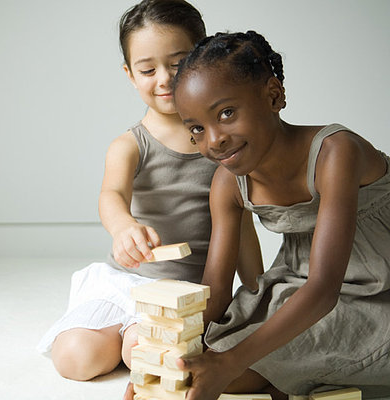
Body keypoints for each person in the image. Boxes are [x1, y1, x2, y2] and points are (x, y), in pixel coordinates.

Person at [36, 0, 263, 384]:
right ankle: (122, 332)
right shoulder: (130, 145)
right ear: (129, 74)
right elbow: (111, 195)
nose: (164, 79)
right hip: (127, 283)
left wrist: (259, 290)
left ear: (202, 59)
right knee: (74, 359)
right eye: (147, 69)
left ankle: (132, 340)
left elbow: (240, 226)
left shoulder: (225, 145)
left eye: (177, 64)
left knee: (150, 350)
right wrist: (123, 226)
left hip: (186, 294)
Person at [171, 30, 390, 399]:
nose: (214, 140)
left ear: (273, 95)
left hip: (371, 288)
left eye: (226, 113)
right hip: (297, 285)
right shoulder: (227, 183)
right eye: (197, 128)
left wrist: (229, 364)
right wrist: (166, 365)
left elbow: (324, 290)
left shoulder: (335, 153)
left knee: (236, 365)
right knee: (212, 357)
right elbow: (217, 289)